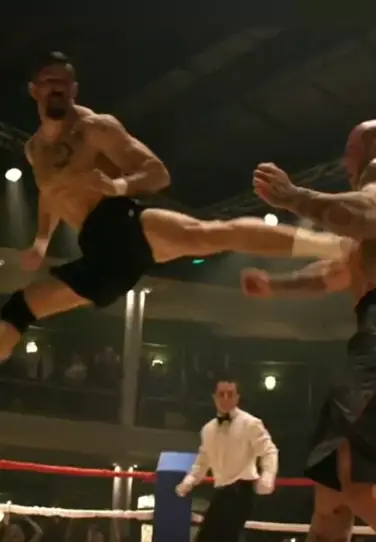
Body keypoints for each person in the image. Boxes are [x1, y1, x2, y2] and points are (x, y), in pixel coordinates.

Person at [0, 51, 346, 361]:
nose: (57, 88)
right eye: (49, 81)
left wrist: (118, 185)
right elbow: (50, 195)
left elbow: (157, 173)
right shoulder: (34, 151)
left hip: (120, 225)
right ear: (34, 89)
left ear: (74, 89)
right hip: (96, 252)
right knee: (17, 311)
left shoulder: (95, 128)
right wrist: (41, 241)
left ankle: (334, 245)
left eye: (63, 82)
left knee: (211, 234)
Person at [243, 119, 376, 542]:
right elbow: (335, 272)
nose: (345, 160)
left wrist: (294, 196)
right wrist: (276, 286)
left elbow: (371, 211)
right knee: (333, 497)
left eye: (349, 148)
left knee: (355, 471)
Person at [175, 379, 278, 542]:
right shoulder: (208, 429)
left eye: (230, 394)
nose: (225, 398)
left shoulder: (250, 423)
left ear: (237, 397)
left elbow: (269, 451)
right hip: (222, 492)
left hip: (241, 491)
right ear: (214, 397)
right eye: (221, 394)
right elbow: (203, 461)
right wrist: (189, 481)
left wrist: (267, 476)